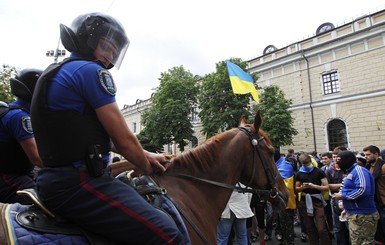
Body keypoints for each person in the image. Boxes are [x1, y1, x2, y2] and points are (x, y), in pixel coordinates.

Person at [30, 13, 182, 244]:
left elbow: (89, 135)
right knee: (170, 235)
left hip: (53, 180)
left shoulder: (57, 71)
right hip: (79, 183)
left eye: (114, 51)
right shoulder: (91, 72)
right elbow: (124, 141)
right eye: (106, 47)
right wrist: (147, 167)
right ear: (85, 40)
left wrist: (148, 154)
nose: (109, 57)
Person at [0, 68, 43, 204]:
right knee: (43, 200)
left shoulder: (20, 112)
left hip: (20, 173)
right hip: (7, 176)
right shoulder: (20, 117)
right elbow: (37, 159)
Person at [333, 150, 379, 245]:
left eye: (339, 160)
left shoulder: (359, 171)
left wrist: (343, 196)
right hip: (356, 214)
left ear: (347, 160)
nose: (337, 163)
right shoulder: (351, 171)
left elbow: (362, 191)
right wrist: (347, 208)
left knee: (364, 242)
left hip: (363, 215)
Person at [295, 153, 331, 245]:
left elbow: (326, 187)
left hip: (317, 200)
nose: (306, 166)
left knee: (321, 228)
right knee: (310, 227)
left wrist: (314, 186)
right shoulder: (299, 173)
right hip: (305, 201)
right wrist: (303, 188)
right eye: (304, 164)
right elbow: (296, 188)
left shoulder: (318, 171)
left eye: (307, 163)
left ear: (311, 162)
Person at [326, 150, 350, 245]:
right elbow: (327, 185)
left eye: (338, 157)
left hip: (347, 199)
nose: (336, 159)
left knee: (348, 226)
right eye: (334, 157)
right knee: (338, 227)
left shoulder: (348, 170)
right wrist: (343, 184)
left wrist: (337, 185)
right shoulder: (329, 170)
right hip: (335, 200)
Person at [274, 148, 296, 245]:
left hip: (285, 202)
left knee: (287, 225)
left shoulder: (284, 166)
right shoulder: (279, 164)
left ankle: (289, 241)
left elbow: (283, 185)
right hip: (280, 201)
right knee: (282, 224)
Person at [363, 145, 385, 243]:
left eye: (368, 154)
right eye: (365, 155)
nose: (366, 157)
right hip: (374, 202)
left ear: (376, 154)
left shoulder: (383, 166)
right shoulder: (367, 167)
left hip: (382, 201)